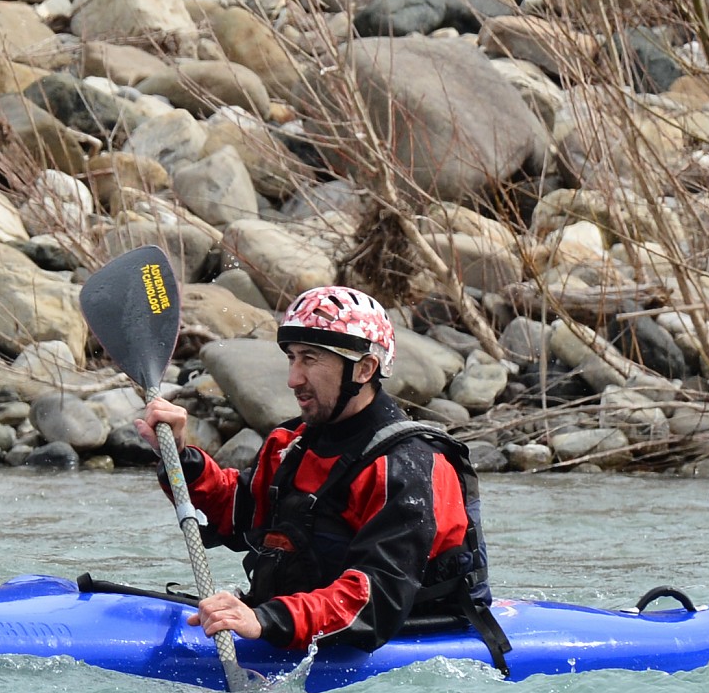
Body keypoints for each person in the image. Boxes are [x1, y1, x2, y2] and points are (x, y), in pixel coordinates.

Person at [134, 285, 509, 669]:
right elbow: (237, 513)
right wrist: (179, 456)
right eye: (292, 358)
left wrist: (266, 619)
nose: (293, 379)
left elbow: (375, 599)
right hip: (298, 625)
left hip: (405, 637)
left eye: (310, 359)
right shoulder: (292, 443)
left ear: (364, 369)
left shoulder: (407, 466)